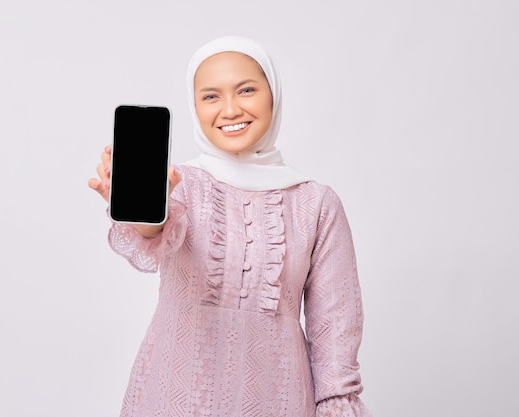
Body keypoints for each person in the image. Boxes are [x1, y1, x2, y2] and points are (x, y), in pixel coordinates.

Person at [88, 35, 373, 417]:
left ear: (273, 95)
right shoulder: (178, 183)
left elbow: (335, 325)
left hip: (279, 399)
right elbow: (156, 237)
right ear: (194, 107)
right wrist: (141, 214)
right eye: (210, 96)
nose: (230, 109)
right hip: (176, 395)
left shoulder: (316, 203)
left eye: (246, 90)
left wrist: (336, 405)